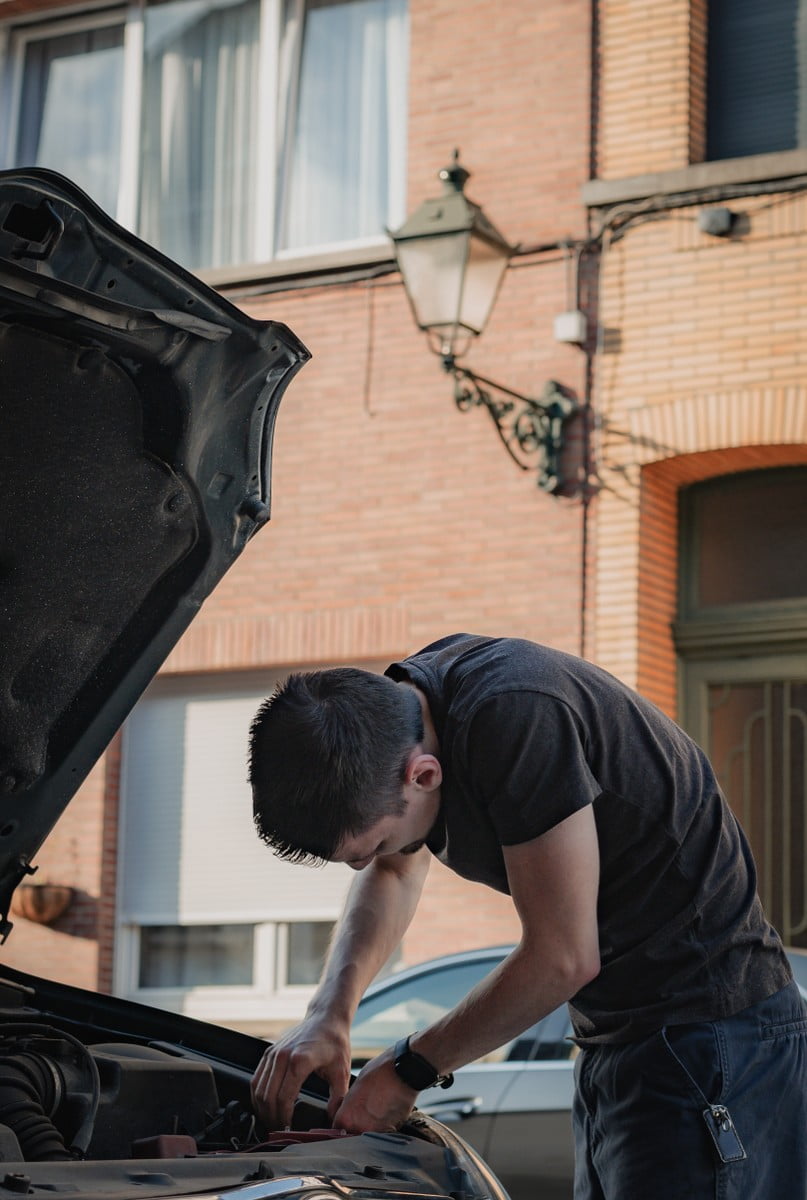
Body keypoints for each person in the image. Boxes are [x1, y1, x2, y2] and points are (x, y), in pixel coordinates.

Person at [247, 633, 806, 1199]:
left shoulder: (516, 714)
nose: (364, 865)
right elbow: (394, 871)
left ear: (424, 775)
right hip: (616, 1037)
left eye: (370, 845)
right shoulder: (395, 715)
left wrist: (409, 1069)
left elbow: (562, 957)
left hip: (711, 1039)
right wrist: (330, 1013)